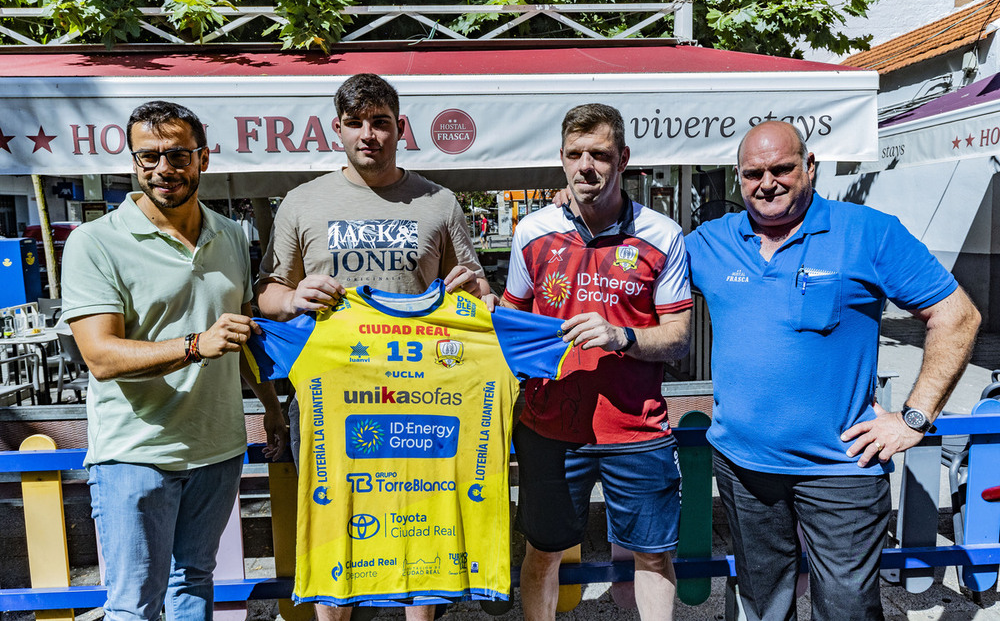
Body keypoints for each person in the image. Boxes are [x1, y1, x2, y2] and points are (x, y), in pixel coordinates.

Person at [685, 120, 981, 621]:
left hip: (841, 470)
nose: (767, 182)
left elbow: (957, 315)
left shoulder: (868, 232)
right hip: (743, 465)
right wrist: (577, 211)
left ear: (810, 168)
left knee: (846, 609)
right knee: (761, 606)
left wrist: (913, 418)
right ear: (739, 178)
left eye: (782, 168)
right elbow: (637, 273)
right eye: (753, 173)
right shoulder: (709, 242)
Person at [256, 72, 489, 621]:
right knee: (335, 527)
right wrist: (292, 298)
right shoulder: (301, 202)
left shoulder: (439, 201)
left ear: (399, 127)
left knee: (422, 526)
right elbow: (264, 294)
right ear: (336, 129)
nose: (369, 134)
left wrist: (478, 291)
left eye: (380, 122)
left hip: (422, 398)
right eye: (357, 123)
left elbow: (476, 290)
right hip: (329, 403)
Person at [61, 100, 287, 621]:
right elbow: (100, 355)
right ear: (133, 163)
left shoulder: (230, 233)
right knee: (134, 605)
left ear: (203, 159)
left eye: (178, 155)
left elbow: (243, 330)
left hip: (217, 447)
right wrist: (193, 345)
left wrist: (272, 407)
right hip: (136, 454)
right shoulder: (95, 242)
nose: (164, 168)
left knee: (194, 584)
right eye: (149, 157)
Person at [500, 103, 693, 621]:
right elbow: (510, 326)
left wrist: (620, 336)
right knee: (543, 551)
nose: (586, 165)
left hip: (636, 427)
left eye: (600, 154)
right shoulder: (531, 232)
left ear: (623, 158)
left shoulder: (662, 234)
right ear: (561, 160)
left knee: (653, 555)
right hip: (550, 427)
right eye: (575, 154)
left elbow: (678, 339)